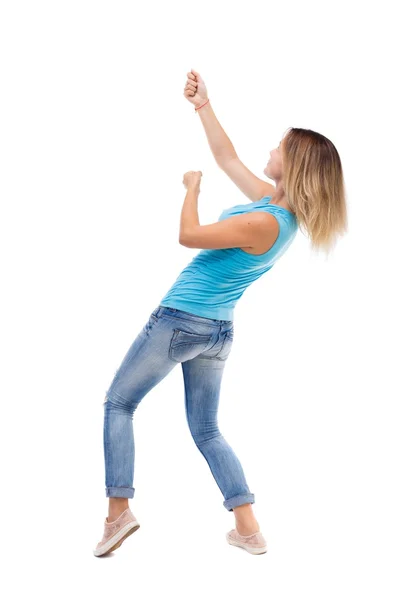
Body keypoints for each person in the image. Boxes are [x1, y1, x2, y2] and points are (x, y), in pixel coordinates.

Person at [93, 70, 348, 557]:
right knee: (206, 429)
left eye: (279, 146)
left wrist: (191, 187)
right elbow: (227, 156)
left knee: (118, 404)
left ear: (292, 165)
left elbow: (188, 235)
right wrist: (203, 105)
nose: (270, 150)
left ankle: (116, 513)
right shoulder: (278, 211)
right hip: (216, 331)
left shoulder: (261, 219)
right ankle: (248, 529)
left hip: (179, 321)